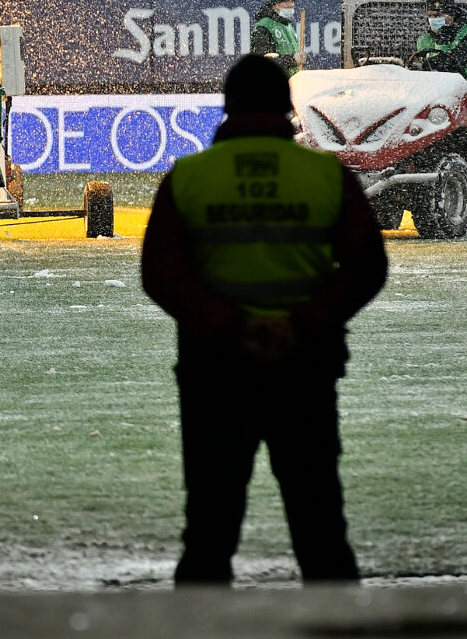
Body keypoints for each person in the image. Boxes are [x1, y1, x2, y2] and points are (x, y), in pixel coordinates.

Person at [140, 54, 388, 586]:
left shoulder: (190, 177)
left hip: (215, 373)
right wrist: (301, 324)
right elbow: (367, 267)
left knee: (208, 535)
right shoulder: (325, 175)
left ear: (227, 108)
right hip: (306, 370)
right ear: (287, 108)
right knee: (320, 530)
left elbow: (162, 275)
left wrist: (232, 327)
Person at [414, 0, 467, 97]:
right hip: (432, 96)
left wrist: (443, 41)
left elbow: (454, 61)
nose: (433, 19)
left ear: (451, 14)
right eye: (430, 15)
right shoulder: (424, 40)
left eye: (438, 15)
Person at [249, 0, 301, 78]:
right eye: (286, 2)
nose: (290, 4)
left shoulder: (287, 27)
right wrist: (293, 60)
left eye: (292, 2)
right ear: (275, 5)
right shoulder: (264, 28)